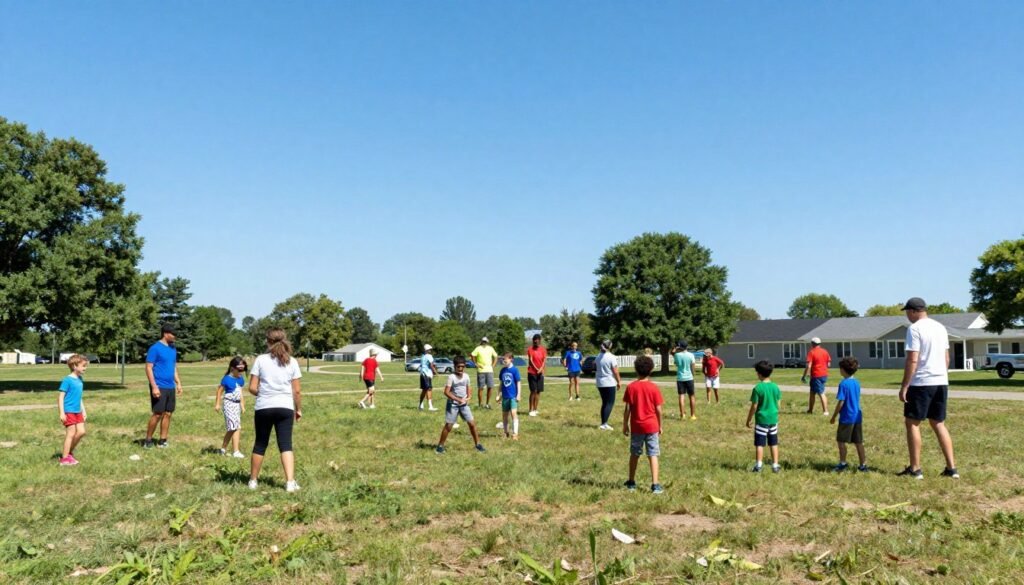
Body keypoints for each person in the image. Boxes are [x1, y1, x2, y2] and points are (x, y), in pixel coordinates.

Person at [898, 297, 958, 479]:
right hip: (940, 381)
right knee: (938, 422)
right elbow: (946, 358)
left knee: (912, 422)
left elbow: (912, 359)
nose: (907, 315)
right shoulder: (940, 328)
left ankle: (915, 469)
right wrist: (941, 374)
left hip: (921, 382)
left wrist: (905, 385)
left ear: (914, 311)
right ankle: (951, 468)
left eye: (908, 312)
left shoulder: (914, 329)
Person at [248, 328, 303, 493]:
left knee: (260, 443)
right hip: (285, 406)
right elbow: (297, 391)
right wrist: (298, 409)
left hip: (264, 406)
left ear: (268, 341)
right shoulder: (292, 361)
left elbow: (251, 387)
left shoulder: (260, 360)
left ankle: (253, 481)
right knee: (286, 444)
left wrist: (264, 393)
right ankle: (290, 483)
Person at [622, 355, 664, 494]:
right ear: (651, 370)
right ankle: (655, 485)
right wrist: (660, 425)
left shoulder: (631, 387)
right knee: (653, 454)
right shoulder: (653, 388)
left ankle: (631, 482)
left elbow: (628, 408)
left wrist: (625, 424)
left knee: (635, 453)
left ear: (635, 369)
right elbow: (658, 409)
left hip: (637, 426)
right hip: (652, 426)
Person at [435, 356, 485, 453]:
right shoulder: (451, 377)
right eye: (458, 367)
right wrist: (458, 399)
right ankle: (440, 446)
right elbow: (446, 392)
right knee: (449, 426)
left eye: (463, 366)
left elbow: (468, 387)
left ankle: (478, 444)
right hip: (453, 405)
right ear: (454, 366)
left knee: (472, 424)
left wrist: (469, 397)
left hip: (464, 404)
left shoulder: (466, 376)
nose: (461, 369)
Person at [144, 324, 182, 448]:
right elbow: (149, 368)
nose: (175, 336)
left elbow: (173, 366)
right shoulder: (155, 348)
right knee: (158, 413)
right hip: (159, 385)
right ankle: (148, 440)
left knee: (168, 413)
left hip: (170, 386)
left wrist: (178, 383)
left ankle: (163, 440)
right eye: (173, 334)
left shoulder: (172, 348)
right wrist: (154, 386)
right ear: (165, 334)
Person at [830, 356, 867, 472]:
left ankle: (842, 463)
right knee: (858, 442)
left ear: (843, 370)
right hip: (857, 416)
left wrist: (834, 416)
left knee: (841, 441)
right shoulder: (857, 382)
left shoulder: (843, 384)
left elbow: (841, 402)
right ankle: (863, 465)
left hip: (846, 417)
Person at [746, 360, 782, 473]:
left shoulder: (758, 388)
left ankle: (759, 465)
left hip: (762, 420)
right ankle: (775, 465)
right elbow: (778, 403)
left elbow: (754, 406)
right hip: (773, 419)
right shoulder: (776, 387)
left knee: (760, 443)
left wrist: (749, 419)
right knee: (774, 443)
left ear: (760, 374)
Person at [57, 354, 88, 466]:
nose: (85, 368)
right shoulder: (67, 380)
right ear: (75, 366)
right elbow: (60, 397)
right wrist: (62, 412)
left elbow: (79, 397)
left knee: (81, 432)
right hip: (68, 410)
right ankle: (64, 459)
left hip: (77, 411)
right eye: (83, 366)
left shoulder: (80, 379)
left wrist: (83, 411)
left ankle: (69, 452)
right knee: (71, 433)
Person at [214, 356, 248, 458]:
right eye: (239, 369)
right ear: (232, 368)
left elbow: (240, 392)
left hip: (236, 405)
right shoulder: (226, 379)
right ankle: (229, 450)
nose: (240, 372)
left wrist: (242, 404)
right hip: (229, 404)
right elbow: (219, 391)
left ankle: (230, 450)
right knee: (233, 427)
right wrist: (218, 404)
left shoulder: (240, 379)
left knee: (236, 427)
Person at [595, 340, 621, 430]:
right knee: (610, 403)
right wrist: (619, 382)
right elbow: (615, 371)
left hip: (600, 382)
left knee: (604, 403)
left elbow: (594, 365)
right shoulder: (611, 357)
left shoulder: (598, 356)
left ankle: (603, 422)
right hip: (609, 382)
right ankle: (604, 424)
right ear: (609, 347)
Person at [802, 337, 831, 416]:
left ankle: (826, 411)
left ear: (812, 344)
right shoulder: (825, 351)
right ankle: (810, 410)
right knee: (812, 392)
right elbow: (828, 364)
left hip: (816, 375)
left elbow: (809, 366)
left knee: (821, 392)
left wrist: (805, 375)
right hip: (824, 374)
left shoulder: (812, 352)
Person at [498, 352, 522, 440]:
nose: (504, 360)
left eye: (505, 359)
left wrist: (518, 394)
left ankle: (515, 433)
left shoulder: (514, 370)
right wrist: (499, 395)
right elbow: (501, 384)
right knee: (504, 415)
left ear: (511, 359)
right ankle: (506, 432)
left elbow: (518, 382)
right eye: (503, 359)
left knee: (513, 413)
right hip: (505, 397)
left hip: (513, 396)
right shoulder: (502, 370)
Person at [470, 337, 498, 408]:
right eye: (483, 341)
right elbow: (472, 355)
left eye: (485, 341)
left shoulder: (491, 348)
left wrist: (493, 365)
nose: (484, 342)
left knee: (490, 387)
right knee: (481, 388)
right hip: (481, 371)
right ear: (481, 341)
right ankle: (480, 404)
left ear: (487, 342)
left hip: (489, 371)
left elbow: (496, 356)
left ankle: (487, 404)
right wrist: (476, 364)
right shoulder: (478, 348)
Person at [672, 340, 697, 420]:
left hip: (680, 378)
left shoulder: (677, 355)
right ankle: (692, 415)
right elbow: (693, 367)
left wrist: (675, 349)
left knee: (681, 396)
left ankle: (682, 415)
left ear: (680, 347)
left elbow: (673, 356)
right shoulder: (691, 355)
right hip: (689, 377)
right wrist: (693, 375)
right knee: (692, 396)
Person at [526, 334, 547, 416]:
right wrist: (536, 368)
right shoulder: (530, 349)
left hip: (540, 373)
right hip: (532, 372)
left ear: (540, 340)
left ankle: (535, 409)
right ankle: (530, 410)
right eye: (535, 339)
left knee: (538, 391)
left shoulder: (543, 350)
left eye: (537, 339)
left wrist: (541, 368)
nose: (536, 341)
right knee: (533, 391)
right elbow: (531, 360)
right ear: (533, 341)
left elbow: (544, 360)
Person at [418, 344, 439, 411]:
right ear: (428, 350)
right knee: (429, 389)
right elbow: (432, 365)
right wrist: (435, 372)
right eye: (430, 349)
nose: (430, 350)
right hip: (427, 374)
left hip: (422, 374)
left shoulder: (422, 356)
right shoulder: (429, 356)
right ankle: (430, 406)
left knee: (424, 390)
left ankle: (420, 405)